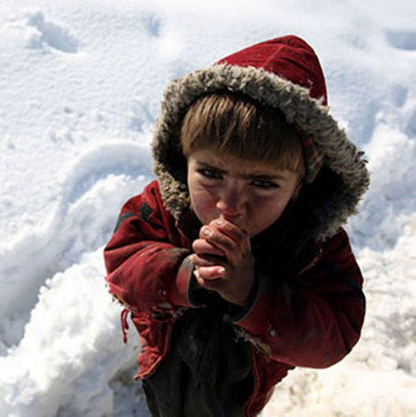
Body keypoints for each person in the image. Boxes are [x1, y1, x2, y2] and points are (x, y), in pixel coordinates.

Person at [103, 35, 369, 416]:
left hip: (243, 386)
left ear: (300, 186)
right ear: (185, 158)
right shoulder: (165, 206)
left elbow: (336, 333)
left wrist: (252, 295)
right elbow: (121, 263)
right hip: (164, 358)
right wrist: (183, 275)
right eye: (210, 173)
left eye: (262, 184)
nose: (229, 206)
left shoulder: (312, 243)